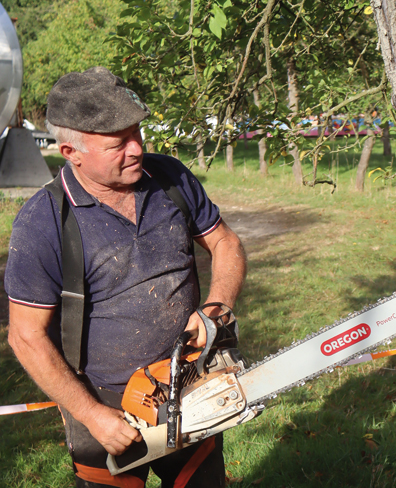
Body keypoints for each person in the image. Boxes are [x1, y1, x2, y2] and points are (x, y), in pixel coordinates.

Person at [6, 67, 246, 487]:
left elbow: (226, 243)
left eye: (137, 133)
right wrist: (92, 415)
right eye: (118, 143)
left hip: (187, 381)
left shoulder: (170, 178)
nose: (136, 148)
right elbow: (25, 337)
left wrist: (216, 306)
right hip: (102, 405)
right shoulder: (43, 221)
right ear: (71, 152)